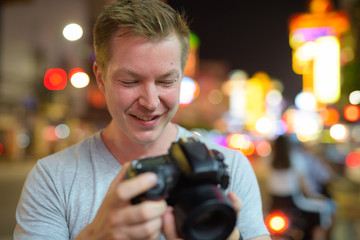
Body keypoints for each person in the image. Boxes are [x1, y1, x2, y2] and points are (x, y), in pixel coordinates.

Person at [14, 0, 270, 239]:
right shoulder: (52, 179)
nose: (150, 101)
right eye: (130, 81)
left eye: (166, 81)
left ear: (181, 79)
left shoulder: (230, 168)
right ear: (101, 78)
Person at [267, 134, 336, 240]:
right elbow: (305, 186)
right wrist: (315, 196)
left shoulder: (268, 160)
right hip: (294, 203)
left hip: (274, 203)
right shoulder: (296, 159)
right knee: (321, 211)